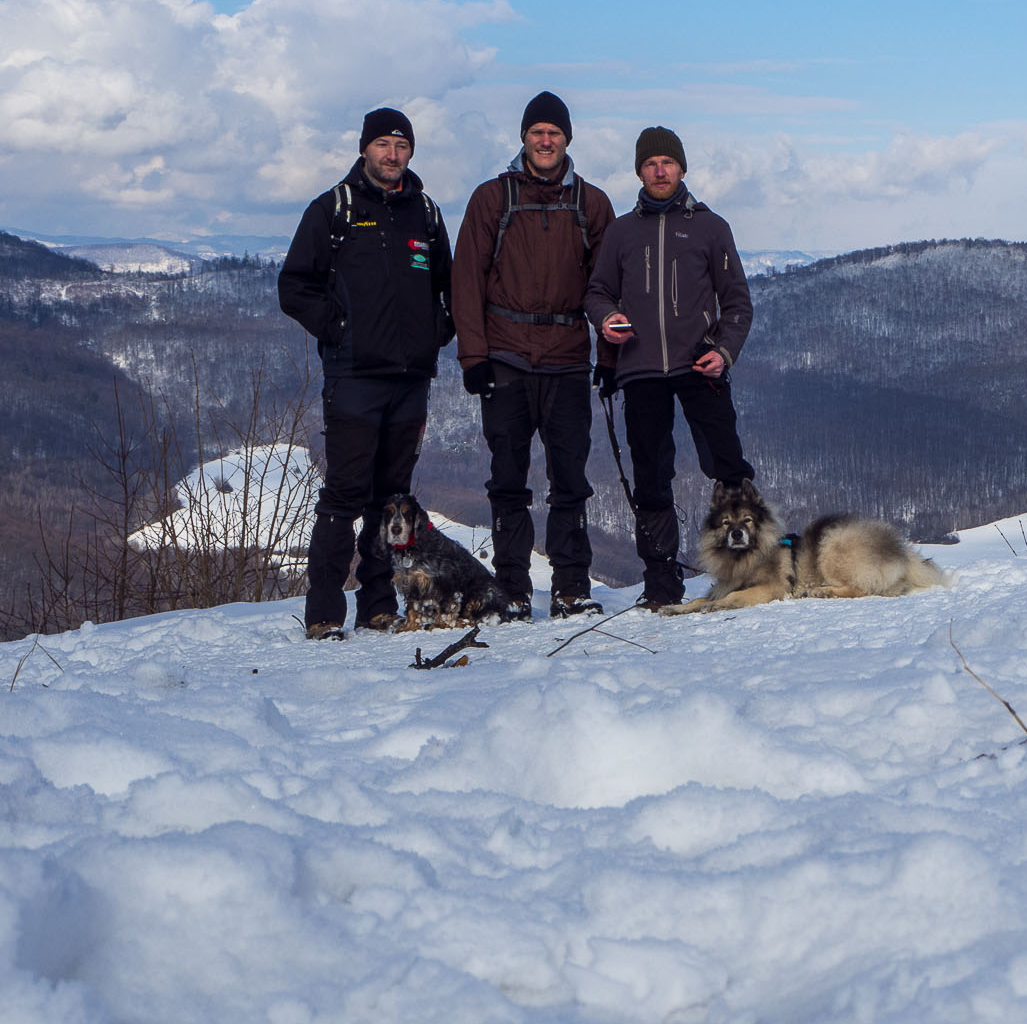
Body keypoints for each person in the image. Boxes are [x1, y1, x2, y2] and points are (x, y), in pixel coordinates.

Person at [279, 107, 454, 640]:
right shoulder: (334, 209)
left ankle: (378, 605)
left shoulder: (425, 213)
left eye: (401, 146)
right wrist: (337, 328)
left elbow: (450, 287)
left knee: (390, 498)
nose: (392, 154)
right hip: (354, 377)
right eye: (382, 144)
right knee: (343, 495)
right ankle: (325, 612)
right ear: (364, 149)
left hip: (410, 380)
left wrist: (435, 332)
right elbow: (294, 286)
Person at [451, 91, 617, 619]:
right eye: (537, 131)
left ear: (568, 139)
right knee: (508, 480)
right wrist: (473, 357)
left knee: (570, 480)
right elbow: (466, 283)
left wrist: (610, 360)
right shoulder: (492, 199)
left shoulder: (591, 204)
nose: (546, 141)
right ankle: (512, 589)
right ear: (523, 136)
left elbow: (610, 289)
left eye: (555, 133)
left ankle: (571, 586)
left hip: (568, 357)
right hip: (506, 356)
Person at [585, 126, 755, 608]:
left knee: (728, 468)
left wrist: (722, 352)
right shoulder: (622, 231)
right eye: (650, 163)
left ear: (682, 168)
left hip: (700, 365)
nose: (660, 171)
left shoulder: (710, 226)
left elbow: (738, 302)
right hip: (639, 369)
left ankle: (746, 574)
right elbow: (597, 291)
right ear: (639, 170)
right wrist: (606, 319)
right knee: (650, 476)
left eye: (668, 162)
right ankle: (661, 584)